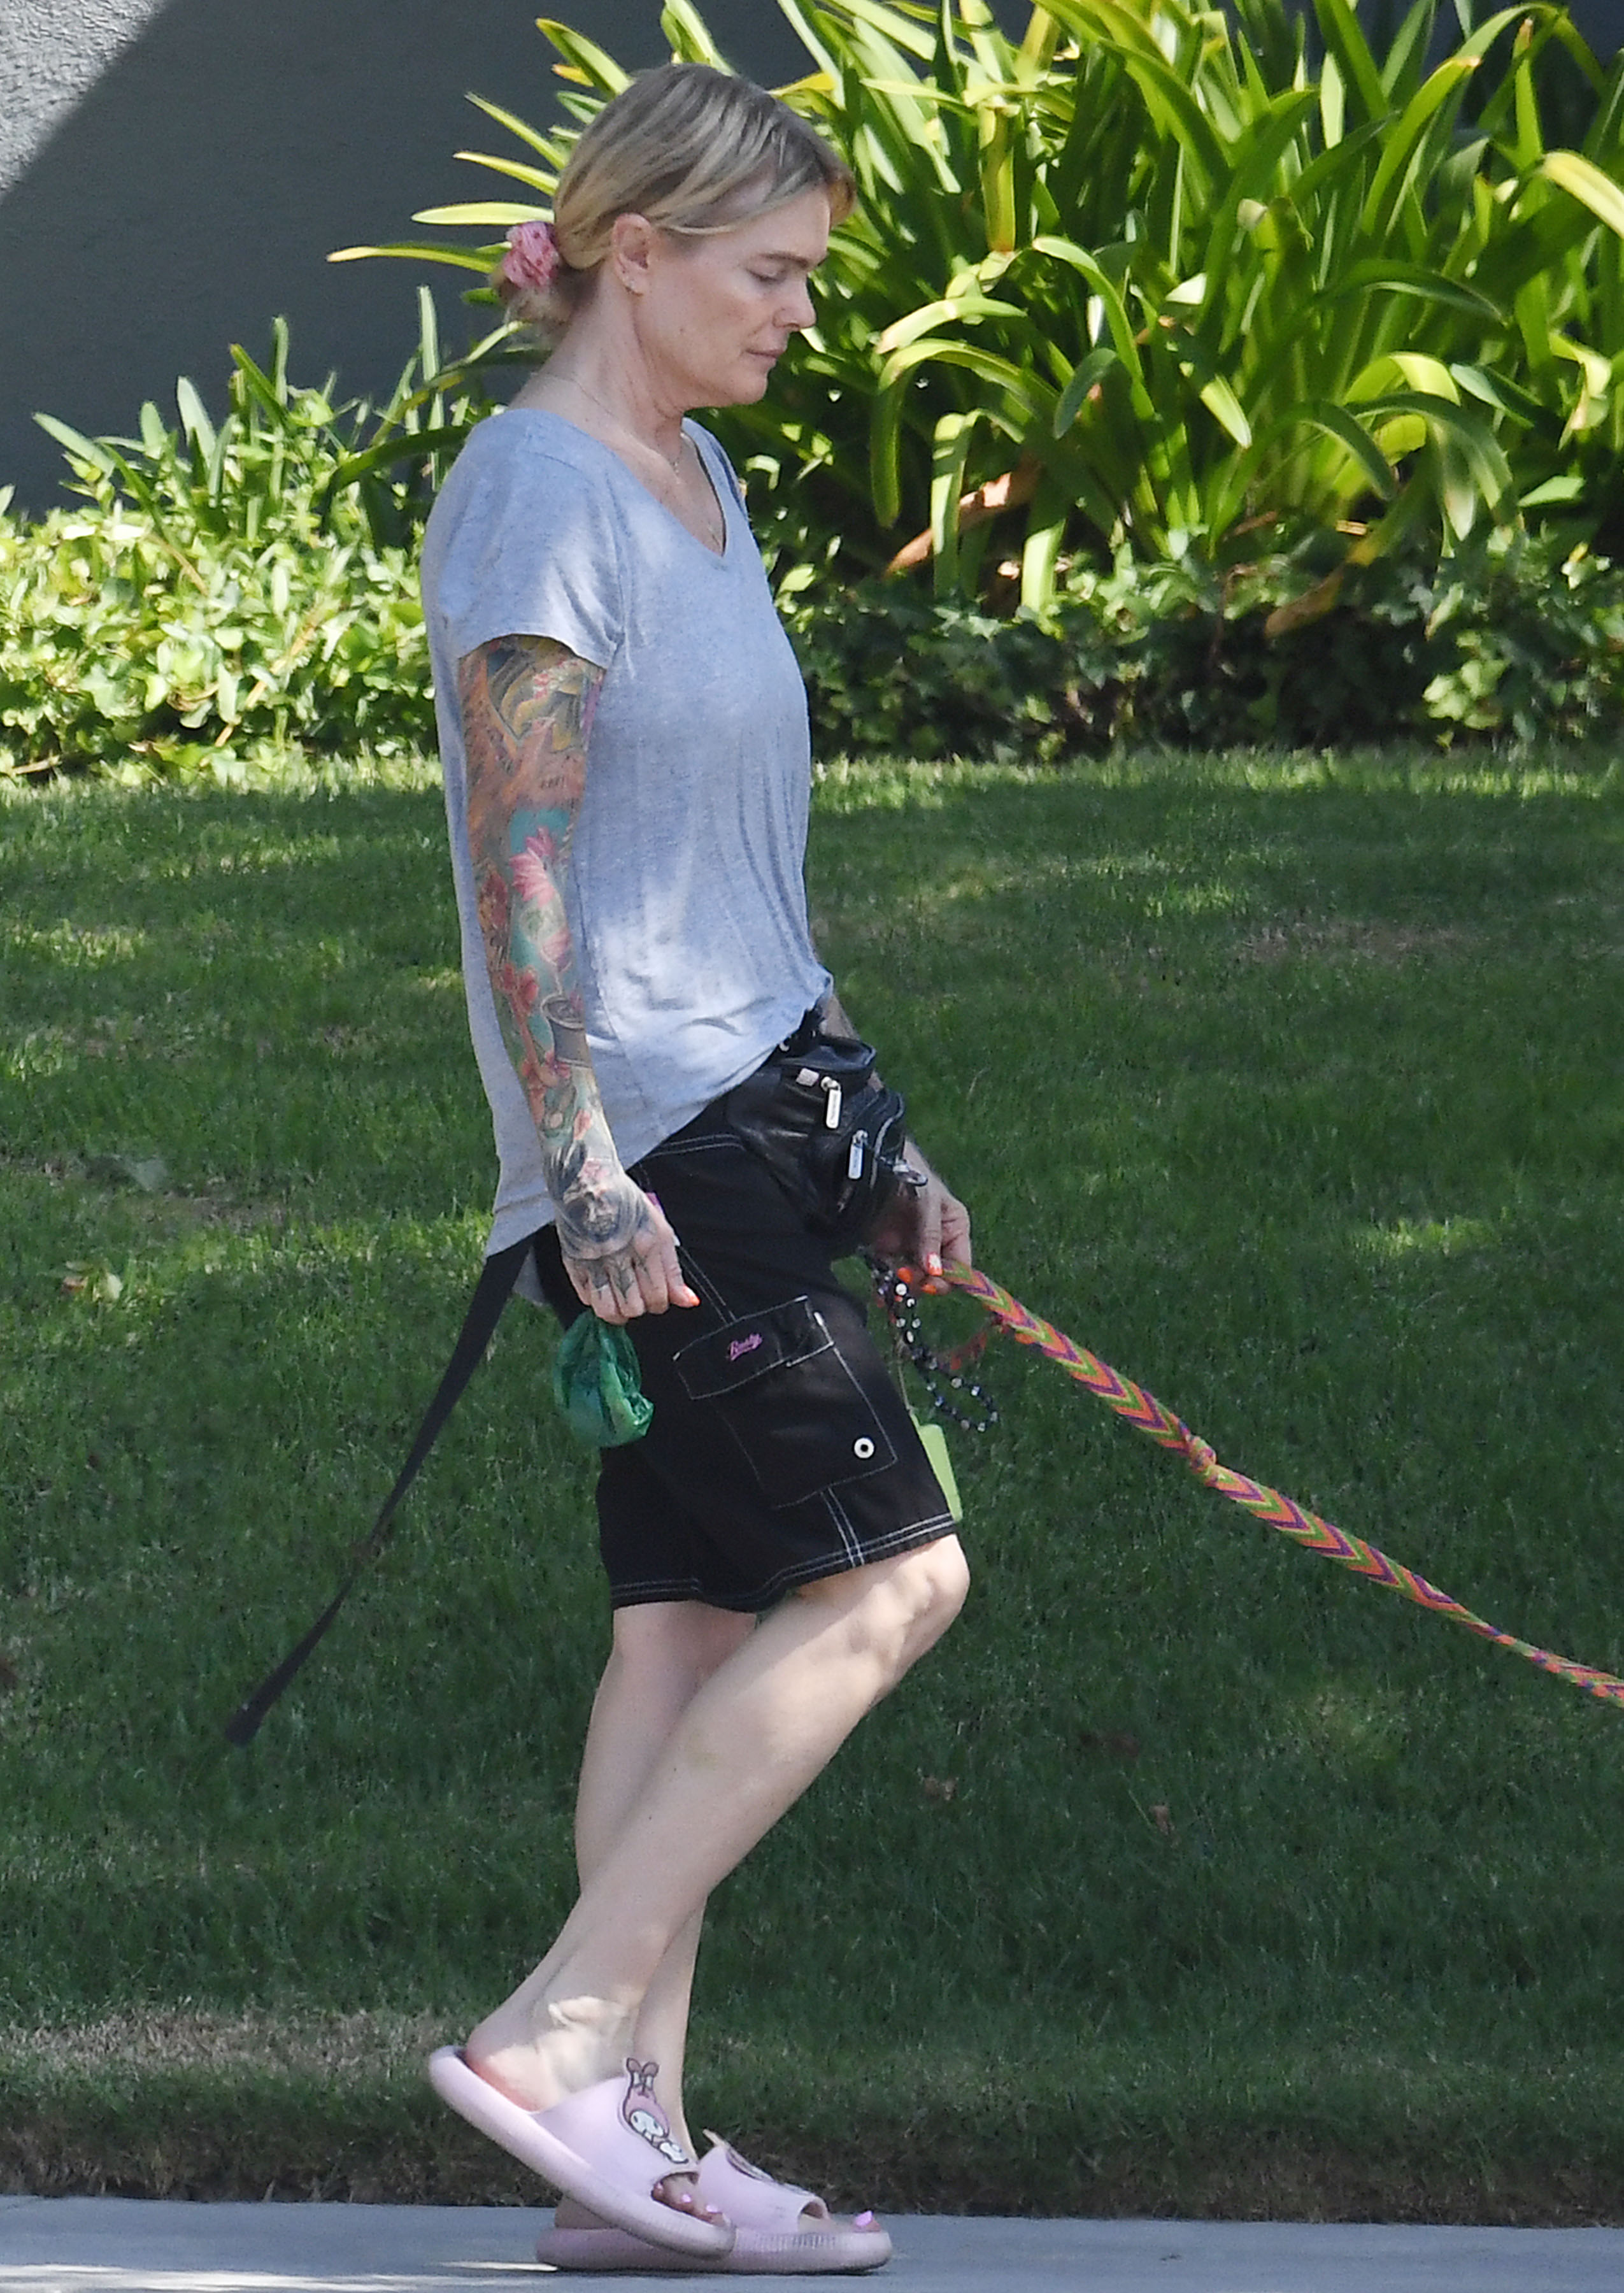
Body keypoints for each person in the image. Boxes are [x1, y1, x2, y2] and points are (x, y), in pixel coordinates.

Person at [418, 62, 972, 2276]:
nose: (797, 316)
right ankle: (560, 2043)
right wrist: (580, 1167)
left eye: (812, 278)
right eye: (768, 274)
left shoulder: (700, 474)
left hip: (751, 1097)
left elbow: (727, 860)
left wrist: (877, 1118)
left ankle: (622, 2167)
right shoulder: (537, 492)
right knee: (892, 1575)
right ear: (632, 256)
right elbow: (517, 858)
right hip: (645, 1131)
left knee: (689, 1618)